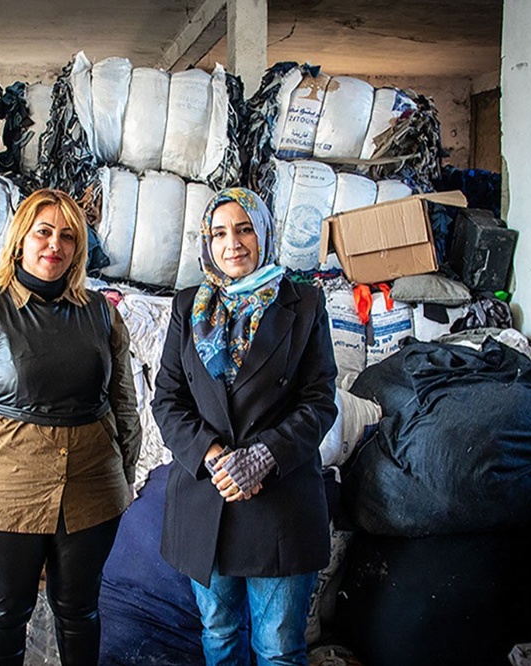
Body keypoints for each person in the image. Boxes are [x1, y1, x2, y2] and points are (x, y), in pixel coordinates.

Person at [0, 188, 142, 665]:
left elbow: (124, 404)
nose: (55, 245)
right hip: (7, 495)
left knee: (80, 612)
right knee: (6, 614)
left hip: (92, 493)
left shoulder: (102, 314)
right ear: (20, 240)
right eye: (43, 232)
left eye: (68, 236)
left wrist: (122, 477)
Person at [152, 187, 338, 665]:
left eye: (245, 228)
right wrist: (214, 457)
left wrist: (262, 458)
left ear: (264, 233)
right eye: (220, 233)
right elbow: (168, 401)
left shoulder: (305, 305)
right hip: (207, 499)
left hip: (279, 502)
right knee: (218, 636)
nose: (233, 243)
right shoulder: (188, 308)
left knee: (277, 648)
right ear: (206, 243)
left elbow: (319, 402)